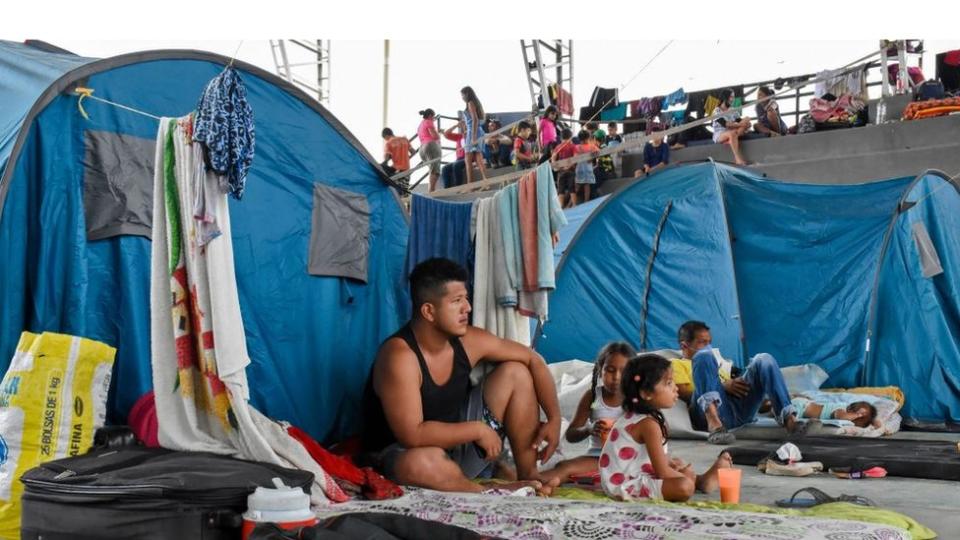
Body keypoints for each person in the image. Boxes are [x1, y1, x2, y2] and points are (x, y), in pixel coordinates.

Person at [361, 258, 562, 493]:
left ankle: (529, 475)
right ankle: (487, 491)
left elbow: (533, 359)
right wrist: (476, 430)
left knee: (516, 372)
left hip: (456, 449)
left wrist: (554, 418)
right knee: (422, 461)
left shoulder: (469, 341)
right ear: (429, 311)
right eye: (457, 301)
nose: (467, 307)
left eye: (466, 298)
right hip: (404, 455)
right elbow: (413, 435)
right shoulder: (400, 356)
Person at [599, 353, 734, 502]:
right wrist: (684, 477)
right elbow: (662, 472)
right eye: (669, 383)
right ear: (646, 393)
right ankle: (697, 482)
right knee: (683, 486)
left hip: (633, 473)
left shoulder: (644, 417)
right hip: (623, 486)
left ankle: (700, 481)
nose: (676, 388)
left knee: (677, 463)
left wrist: (676, 468)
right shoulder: (648, 424)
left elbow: (653, 460)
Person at [672, 321, 800, 445]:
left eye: (709, 342)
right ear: (684, 346)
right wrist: (722, 387)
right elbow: (681, 393)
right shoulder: (676, 364)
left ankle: (789, 421)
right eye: (702, 342)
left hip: (737, 409)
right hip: (708, 412)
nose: (708, 347)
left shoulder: (717, 362)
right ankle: (715, 425)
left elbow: (738, 385)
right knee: (703, 356)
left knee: (764, 359)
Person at [540, 342, 635, 484]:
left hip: (630, 460)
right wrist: (588, 429)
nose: (616, 377)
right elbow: (571, 435)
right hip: (597, 459)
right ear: (599, 370)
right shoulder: (592, 397)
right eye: (610, 370)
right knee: (563, 467)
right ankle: (530, 482)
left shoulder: (637, 399)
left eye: (624, 371)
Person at [711, 88, 752, 166]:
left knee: (747, 120)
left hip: (733, 130)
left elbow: (740, 121)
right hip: (720, 134)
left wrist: (746, 122)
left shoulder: (732, 110)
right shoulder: (717, 111)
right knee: (732, 133)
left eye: (733, 97)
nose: (733, 99)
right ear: (725, 98)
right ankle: (738, 159)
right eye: (731, 97)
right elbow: (726, 124)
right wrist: (741, 125)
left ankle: (731, 140)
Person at [791, 397, 878, 428]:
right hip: (801, 407)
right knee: (788, 417)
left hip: (805, 404)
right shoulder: (841, 410)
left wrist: (873, 421)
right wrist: (858, 414)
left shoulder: (845, 409)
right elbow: (841, 417)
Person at [460, 86, 488, 184]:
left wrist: (473, 136)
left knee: (468, 159)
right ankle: (485, 181)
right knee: (478, 158)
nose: (462, 97)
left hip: (474, 133)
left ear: (466, 94)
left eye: (462, 95)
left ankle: (470, 185)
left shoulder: (470, 103)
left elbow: (475, 119)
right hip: (475, 131)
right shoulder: (474, 102)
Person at [417, 109, 442, 192]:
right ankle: (431, 191)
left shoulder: (420, 124)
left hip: (422, 149)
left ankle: (431, 190)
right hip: (430, 146)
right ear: (430, 115)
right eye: (433, 117)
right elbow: (434, 136)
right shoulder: (428, 121)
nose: (434, 119)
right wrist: (439, 134)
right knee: (435, 171)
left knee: (432, 170)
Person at [551, 128, 577, 208]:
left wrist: (557, 168)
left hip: (561, 171)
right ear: (570, 137)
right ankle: (575, 205)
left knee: (560, 190)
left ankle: (561, 206)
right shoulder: (573, 146)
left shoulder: (557, 147)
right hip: (571, 170)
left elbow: (553, 159)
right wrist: (569, 166)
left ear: (561, 138)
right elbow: (575, 158)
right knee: (572, 188)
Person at [574, 130, 600, 204]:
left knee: (577, 185)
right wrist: (591, 158)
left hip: (579, 168)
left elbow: (575, 157)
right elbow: (598, 152)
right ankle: (586, 201)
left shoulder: (577, 147)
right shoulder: (592, 146)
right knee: (587, 185)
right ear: (588, 138)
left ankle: (573, 202)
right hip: (588, 168)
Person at [441, 121, 466, 188]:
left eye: (465, 125)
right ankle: (447, 188)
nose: (464, 127)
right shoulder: (459, 137)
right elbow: (446, 134)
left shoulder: (471, 136)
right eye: (463, 125)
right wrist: (456, 126)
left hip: (468, 158)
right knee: (444, 168)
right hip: (459, 159)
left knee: (456, 165)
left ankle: (458, 186)